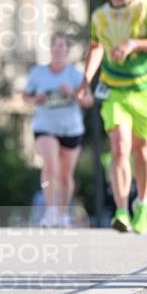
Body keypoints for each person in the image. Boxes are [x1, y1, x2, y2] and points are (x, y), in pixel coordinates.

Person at [77, 0, 147, 233]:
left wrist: (134, 44)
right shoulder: (100, 17)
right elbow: (96, 47)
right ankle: (122, 210)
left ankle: (143, 203)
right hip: (113, 90)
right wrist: (86, 80)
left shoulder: (145, 9)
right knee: (119, 146)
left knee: (142, 148)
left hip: (145, 88)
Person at [23, 33, 91, 227]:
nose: (59, 49)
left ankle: (63, 214)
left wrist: (73, 93)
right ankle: (50, 211)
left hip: (71, 129)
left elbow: (89, 100)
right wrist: (36, 99)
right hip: (45, 127)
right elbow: (26, 96)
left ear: (66, 50)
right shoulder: (38, 73)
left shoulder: (75, 74)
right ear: (51, 49)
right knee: (51, 167)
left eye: (62, 46)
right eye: (55, 46)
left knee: (65, 175)